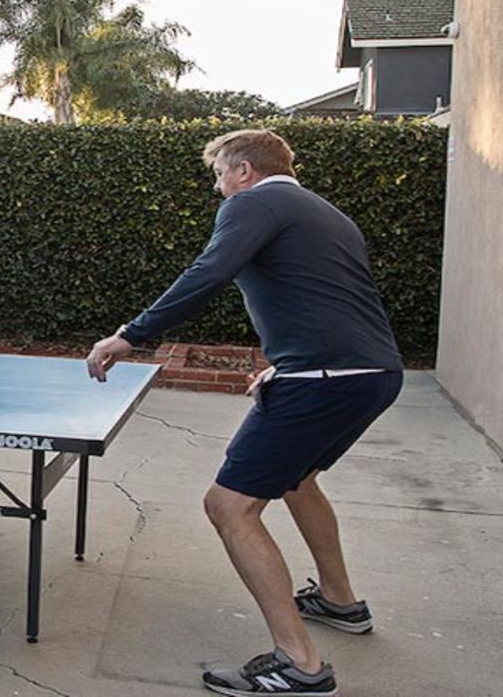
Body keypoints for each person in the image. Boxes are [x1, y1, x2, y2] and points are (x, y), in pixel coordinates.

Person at [85, 129, 402, 697]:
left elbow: (209, 272)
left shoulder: (254, 203)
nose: (218, 188)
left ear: (244, 170)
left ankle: (299, 665)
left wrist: (131, 334)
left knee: (229, 506)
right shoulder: (323, 211)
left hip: (323, 379)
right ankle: (339, 601)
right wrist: (286, 364)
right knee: (298, 480)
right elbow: (322, 298)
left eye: (220, 175)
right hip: (370, 374)